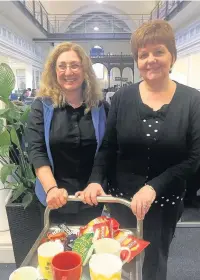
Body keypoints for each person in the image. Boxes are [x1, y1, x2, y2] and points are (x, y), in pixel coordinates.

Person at [77, 20, 200, 279]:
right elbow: (108, 147)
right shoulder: (122, 97)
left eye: (159, 51)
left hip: (165, 202)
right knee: (119, 260)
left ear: (172, 56)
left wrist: (154, 186)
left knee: (155, 262)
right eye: (143, 55)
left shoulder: (193, 101)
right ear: (137, 60)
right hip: (122, 201)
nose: (150, 59)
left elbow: (195, 157)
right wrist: (95, 180)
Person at [27, 42, 109, 224]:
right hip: (54, 198)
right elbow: (36, 150)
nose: (68, 72)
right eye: (62, 66)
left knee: (88, 248)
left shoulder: (100, 108)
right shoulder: (42, 106)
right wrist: (51, 189)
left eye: (74, 65)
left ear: (85, 70)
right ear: (54, 71)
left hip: (91, 198)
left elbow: (106, 150)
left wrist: (95, 182)